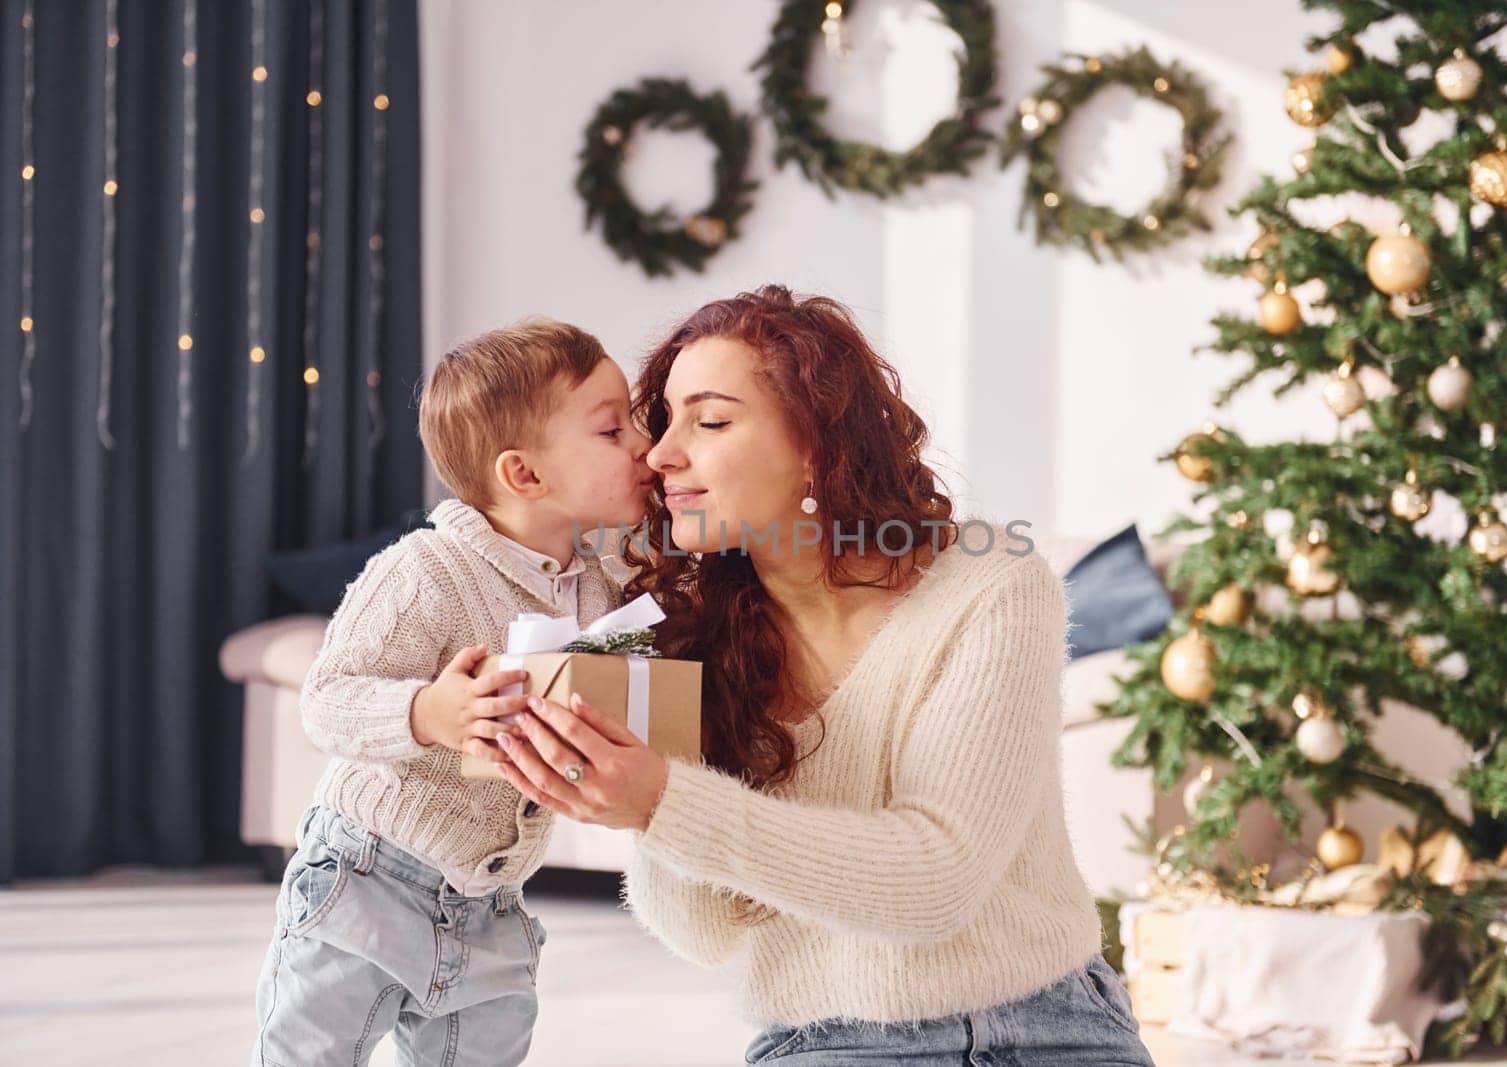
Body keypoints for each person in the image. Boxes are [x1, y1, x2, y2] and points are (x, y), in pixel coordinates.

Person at [495, 286, 1157, 1065]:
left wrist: (663, 798)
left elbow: (936, 880)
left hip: (1049, 1027)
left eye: (709, 421)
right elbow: (704, 932)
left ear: (817, 440)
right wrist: (635, 800)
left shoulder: (990, 584)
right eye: (664, 420)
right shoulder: (682, 631)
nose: (660, 453)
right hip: (828, 1039)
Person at [251, 317, 654, 1065]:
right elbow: (328, 697)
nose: (644, 443)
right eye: (613, 429)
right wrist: (428, 711)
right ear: (524, 475)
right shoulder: (424, 570)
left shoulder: (600, 589)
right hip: (367, 878)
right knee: (307, 1054)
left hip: (492, 900)